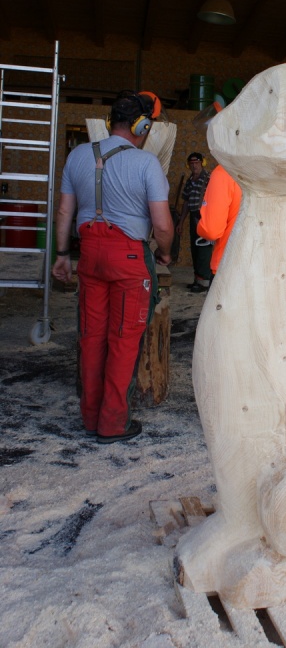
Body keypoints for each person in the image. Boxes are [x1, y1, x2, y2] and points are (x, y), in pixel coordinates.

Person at [52, 90, 174, 444]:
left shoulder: (78, 155)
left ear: (110, 123)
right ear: (142, 126)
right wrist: (165, 254)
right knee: (123, 340)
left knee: (92, 337)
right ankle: (113, 423)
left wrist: (62, 254)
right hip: (129, 258)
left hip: (90, 254)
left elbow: (65, 211)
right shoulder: (146, 163)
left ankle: (90, 417)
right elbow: (162, 225)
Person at [197, 164, 242, 280]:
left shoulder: (225, 171)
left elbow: (211, 231)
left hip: (228, 266)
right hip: (268, 268)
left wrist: (200, 227)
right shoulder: (275, 171)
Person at [177, 152, 212, 292]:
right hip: (193, 217)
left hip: (205, 218)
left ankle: (204, 282)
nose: (194, 166)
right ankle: (197, 280)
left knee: (204, 248)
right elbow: (186, 202)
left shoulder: (209, 178)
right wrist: (181, 222)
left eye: (196, 163)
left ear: (202, 163)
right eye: (191, 163)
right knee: (195, 249)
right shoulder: (190, 180)